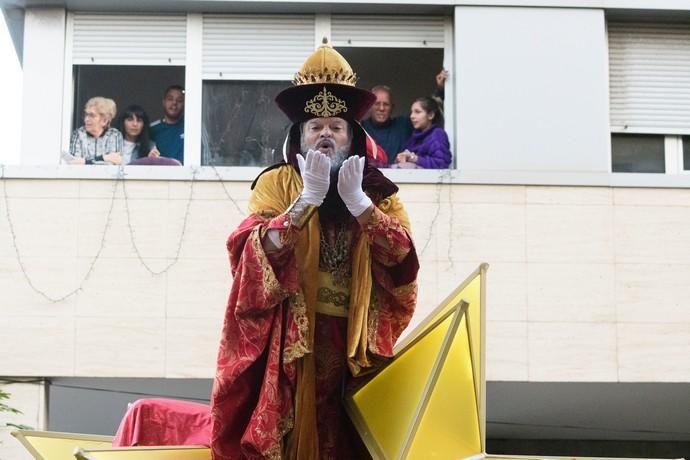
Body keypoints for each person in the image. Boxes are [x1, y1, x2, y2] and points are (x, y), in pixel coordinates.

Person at [210, 40, 419, 460]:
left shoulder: (377, 193)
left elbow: (403, 262)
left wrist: (362, 208)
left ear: (352, 138)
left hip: (353, 344)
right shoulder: (276, 185)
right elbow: (249, 256)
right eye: (315, 127)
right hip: (293, 342)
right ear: (300, 137)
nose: (325, 134)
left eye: (336, 127)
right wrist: (303, 203)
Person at [361, 68, 448, 165]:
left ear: (392, 107)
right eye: (377, 104)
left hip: (402, 178)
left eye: (386, 104)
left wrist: (440, 89)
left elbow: (427, 111)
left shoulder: (403, 125)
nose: (381, 108)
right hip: (372, 179)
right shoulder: (360, 128)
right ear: (369, 106)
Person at [394, 96, 452, 169]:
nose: (412, 116)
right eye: (411, 112)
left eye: (417, 112)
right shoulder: (415, 137)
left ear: (431, 115)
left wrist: (414, 158)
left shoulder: (437, 135)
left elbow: (441, 163)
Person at [68, 97, 123, 165]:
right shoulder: (78, 134)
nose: (86, 119)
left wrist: (84, 161)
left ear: (104, 121)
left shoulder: (114, 135)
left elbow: (115, 162)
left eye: (92, 115)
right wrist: (104, 158)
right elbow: (73, 162)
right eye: (86, 115)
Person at [150, 85, 185, 164]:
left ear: (184, 104)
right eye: (170, 99)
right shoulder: (152, 129)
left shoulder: (192, 126)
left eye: (179, 100)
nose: (174, 103)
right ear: (164, 102)